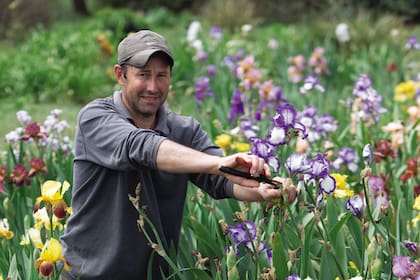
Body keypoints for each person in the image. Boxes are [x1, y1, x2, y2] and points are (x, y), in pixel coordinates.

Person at [60, 29, 281, 279]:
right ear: (120, 75)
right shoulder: (95, 117)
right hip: (87, 275)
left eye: (161, 75)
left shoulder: (184, 130)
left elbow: (223, 181)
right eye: (143, 75)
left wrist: (265, 188)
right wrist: (219, 163)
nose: (153, 87)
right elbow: (140, 146)